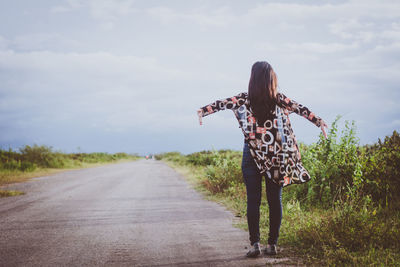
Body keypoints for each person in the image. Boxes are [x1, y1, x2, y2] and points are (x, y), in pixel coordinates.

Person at [197, 61, 328, 257]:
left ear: (253, 79)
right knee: (275, 201)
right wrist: (318, 121)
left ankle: (255, 245)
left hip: (251, 156)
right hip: (276, 158)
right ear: (270, 79)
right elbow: (300, 108)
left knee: (253, 201)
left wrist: (203, 111)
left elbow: (221, 104)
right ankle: (272, 245)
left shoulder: (244, 99)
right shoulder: (278, 99)